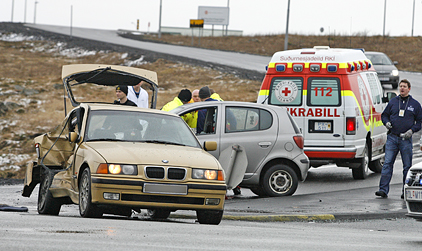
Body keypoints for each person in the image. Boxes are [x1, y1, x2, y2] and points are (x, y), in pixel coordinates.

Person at [376, 79, 422, 199]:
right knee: (387, 164)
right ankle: (383, 190)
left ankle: (405, 191)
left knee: (407, 166)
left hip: (406, 140)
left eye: (404, 86)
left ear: (409, 89)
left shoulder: (415, 104)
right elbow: (384, 115)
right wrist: (386, 123)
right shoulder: (393, 102)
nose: (402, 88)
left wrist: (411, 131)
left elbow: (420, 122)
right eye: (400, 86)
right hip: (392, 137)